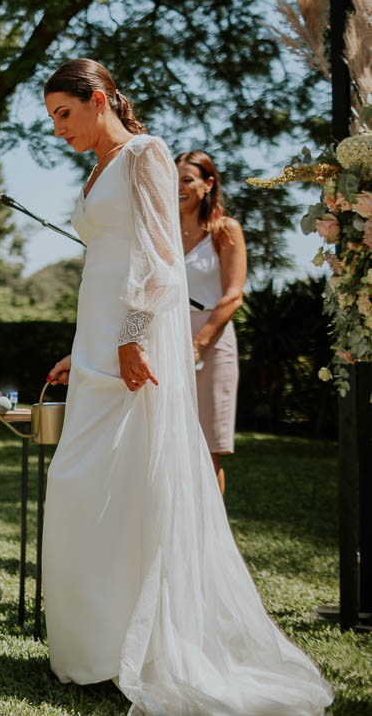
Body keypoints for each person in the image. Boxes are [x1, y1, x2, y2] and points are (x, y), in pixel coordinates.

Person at [40, 58, 331, 714]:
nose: (59, 130)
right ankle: (95, 648)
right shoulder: (96, 166)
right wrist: (80, 345)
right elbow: (104, 266)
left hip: (128, 345)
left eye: (64, 113)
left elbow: (157, 255)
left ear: (100, 98)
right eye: (52, 119)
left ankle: (133, 648)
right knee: (86, 485)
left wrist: (130, 336)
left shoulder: (146, 152)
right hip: (97, 342)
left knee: (118, 485)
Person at [177, 150, 246, 496]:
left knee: (207, 450)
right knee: (168, 445)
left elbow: (233, 295)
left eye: (187, 179)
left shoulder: (225, 230)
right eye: (173, 180)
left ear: (208, 184)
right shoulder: (162, 234)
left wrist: (198, 342)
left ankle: (209, 546)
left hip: (212, 343)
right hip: (168, 338)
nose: (179, 187)